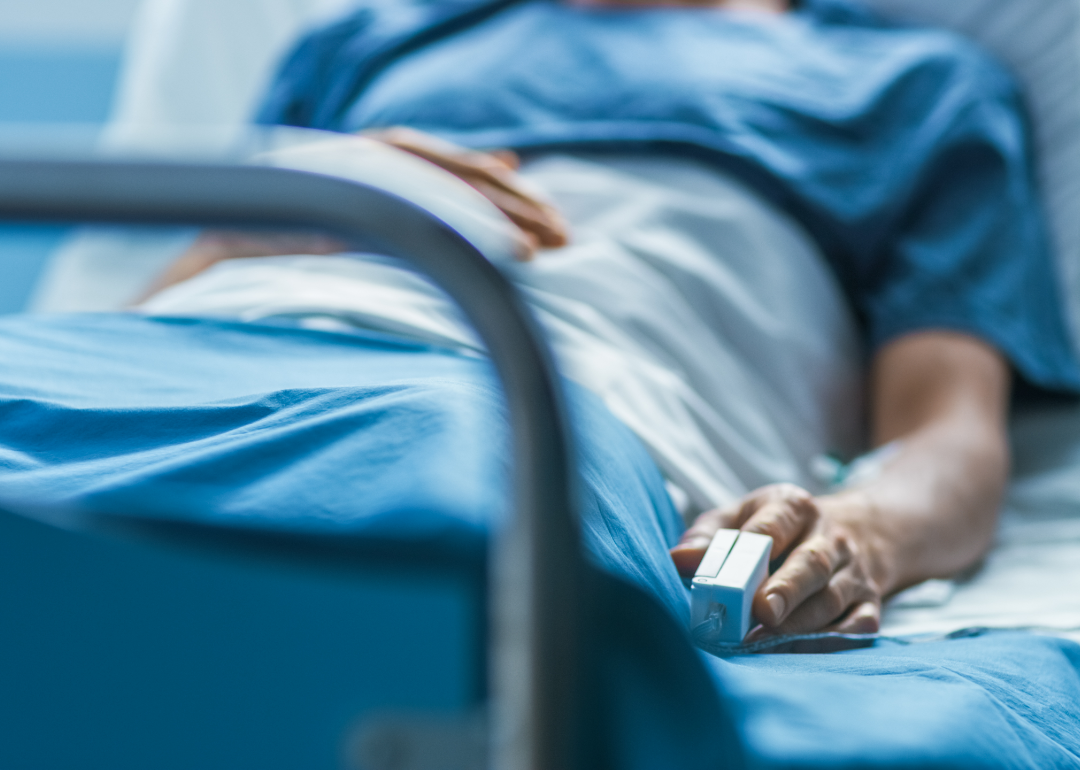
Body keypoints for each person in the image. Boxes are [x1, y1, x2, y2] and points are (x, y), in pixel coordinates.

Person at [139, 0, 1080, 640]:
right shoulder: (367, 42)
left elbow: (946, 430)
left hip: (528, 393)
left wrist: (859, 530)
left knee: (394, 546)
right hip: (180, 358)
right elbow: (133, 317)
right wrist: (271, 213)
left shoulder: (915, 85)